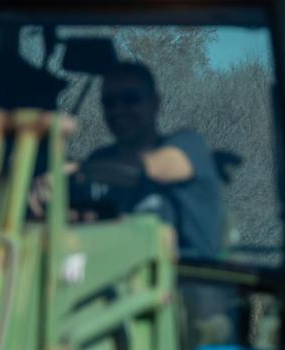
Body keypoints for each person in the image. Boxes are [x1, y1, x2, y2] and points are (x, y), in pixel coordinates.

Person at [31, 62, 222, 260]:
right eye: (109, 102)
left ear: (155, 103)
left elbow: (149, 167)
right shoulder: (100, 159)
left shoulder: (188, 145)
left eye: (130, 99)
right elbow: (82, 219)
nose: (119, 109)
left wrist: (75, 171)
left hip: (192, 281)